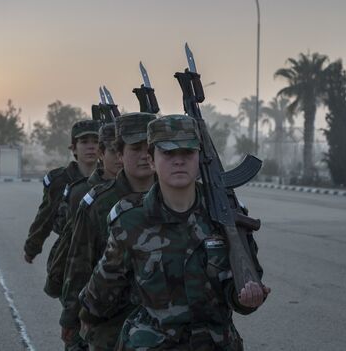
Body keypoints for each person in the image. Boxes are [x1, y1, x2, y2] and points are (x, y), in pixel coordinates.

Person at [79, 114, 270, 350]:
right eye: (168, 153)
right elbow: (101, 294)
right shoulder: (131, 221)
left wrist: (247, 297)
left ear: (199, 158)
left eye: (187, 153)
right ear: (151, 160)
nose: (178, 161)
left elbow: (243, 288)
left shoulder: (227, 215)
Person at [61, 112, 157, 351]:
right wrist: (71, 318)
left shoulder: (177, 198)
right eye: (136, 148)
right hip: (111, 326)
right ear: (120, 153)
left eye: (150, 148)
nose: (145, 155)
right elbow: (79, 265)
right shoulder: (97, 204)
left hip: (164, 329)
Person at [47, 123, 122, 351]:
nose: (121, 158)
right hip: (92, 299)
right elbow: (76, 256)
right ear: (102, 153)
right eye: (114, 151)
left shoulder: (152, 194)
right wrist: (71, 314)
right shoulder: (84, 194)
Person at [23, 119, 101, 298]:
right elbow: (45, 216)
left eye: (95, 141)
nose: (91, 147)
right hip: (69, 254)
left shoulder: (112, 177)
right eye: (84, 142)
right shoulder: (60, 180)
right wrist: (32, 247)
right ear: (73, 148)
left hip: (102, 255)